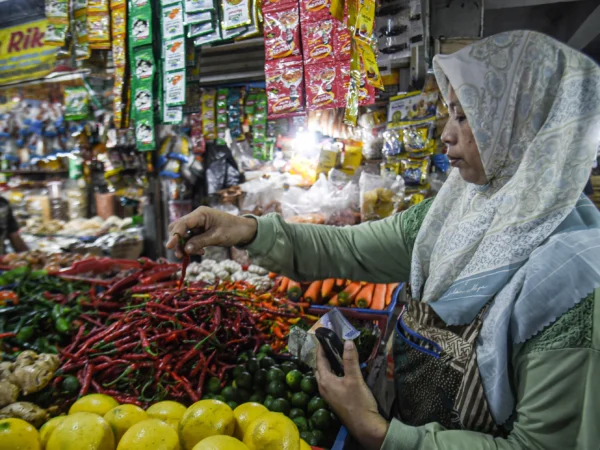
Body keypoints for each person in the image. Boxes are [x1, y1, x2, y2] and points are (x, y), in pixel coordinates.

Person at [167, 31, 600, 449]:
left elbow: (539, 445)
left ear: (523, 125)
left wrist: (377, 433)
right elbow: (350, 248)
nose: (446, 134)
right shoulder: (457, 211)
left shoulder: (571, 280)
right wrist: (247, 229)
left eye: (464, 117)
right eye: (450, 113)